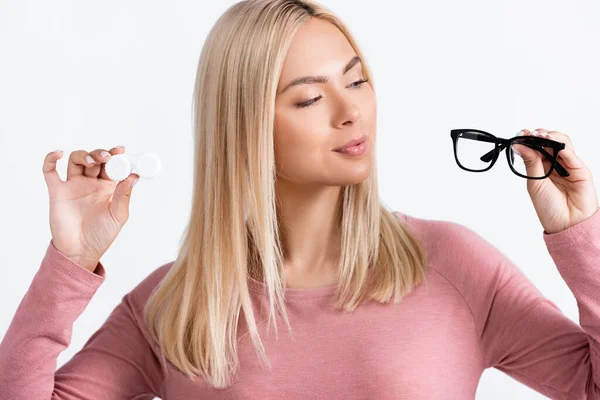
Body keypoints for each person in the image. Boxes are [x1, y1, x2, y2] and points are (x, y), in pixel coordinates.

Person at [1, 0, 599, 398]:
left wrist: (582, 235)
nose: (351, 111)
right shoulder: (175, 304)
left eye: (358, 79)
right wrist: (70, 260)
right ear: (245, 128)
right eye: (310, 100)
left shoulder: (454, 266)